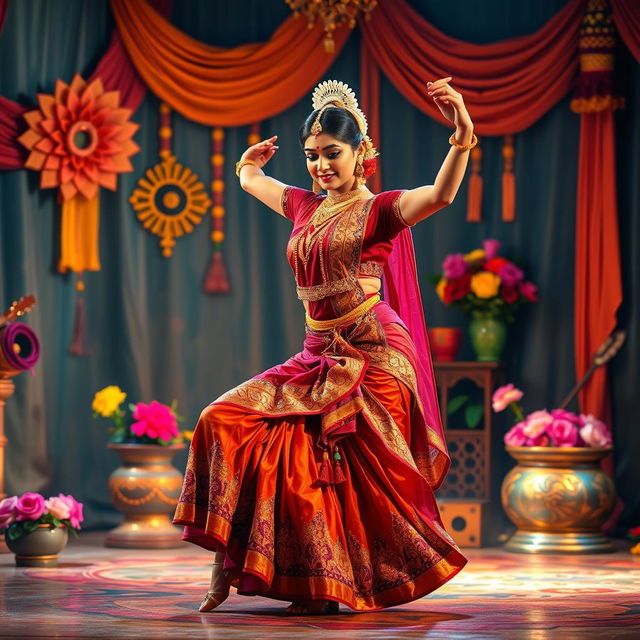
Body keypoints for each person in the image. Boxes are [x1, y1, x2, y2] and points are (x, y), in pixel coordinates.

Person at [172, 78, 476, 615]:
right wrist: (247, 164)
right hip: (317, 353)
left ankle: (323, 585)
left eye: (331, 154)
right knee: (222, 418)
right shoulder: (303, 207)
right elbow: (251, 182)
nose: (319, 166)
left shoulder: (380, 210)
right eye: (312, 156)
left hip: (374, 352)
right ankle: (228, 558)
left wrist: (462, 135)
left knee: (314, 457)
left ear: (361, 152)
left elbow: (441, 195)